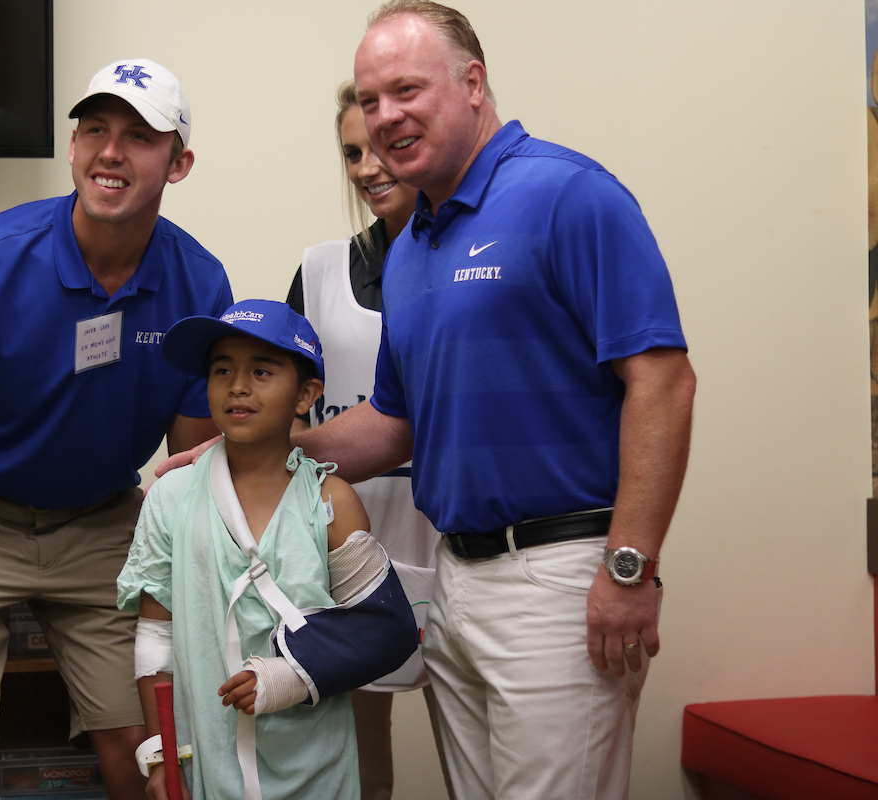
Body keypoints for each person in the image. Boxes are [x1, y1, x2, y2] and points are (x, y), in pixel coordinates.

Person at [159, 2, 696, 797]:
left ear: (473, 82)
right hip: (458, 579)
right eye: (371, 100)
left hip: (558, 571)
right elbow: (394, 423)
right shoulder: (413, 247)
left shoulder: (566, 194)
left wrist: (629, 568)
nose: (384, 119)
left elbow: (663, 381)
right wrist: (254, 457)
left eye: (406, 90)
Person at [0, 58, 232, 800]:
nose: (111, 150)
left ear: (179, 163)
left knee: (145, 750)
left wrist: (210, 604)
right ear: (72, 150)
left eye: (140, 136)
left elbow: (191, 465)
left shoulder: (200, 284)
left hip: (103, 523)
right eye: (94, 130)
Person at [118, 299, 419, 800]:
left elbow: (384, 631)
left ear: (306, 394)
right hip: (207, 764)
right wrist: (160, 756)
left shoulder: (331, 500)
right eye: (222, 370)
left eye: (261, 370)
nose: (238, 385)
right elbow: (155, 636)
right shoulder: (170, 498)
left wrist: (291, 675)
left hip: (316, 768)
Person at [286, 80, 451, 800]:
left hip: (453, 542)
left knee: (478, 758)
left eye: (382, 146)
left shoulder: (472, 264)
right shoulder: (320, 271)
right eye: (353, 151)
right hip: (350, 545)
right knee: (356, 766)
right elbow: (284, 413)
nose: (367, 166)